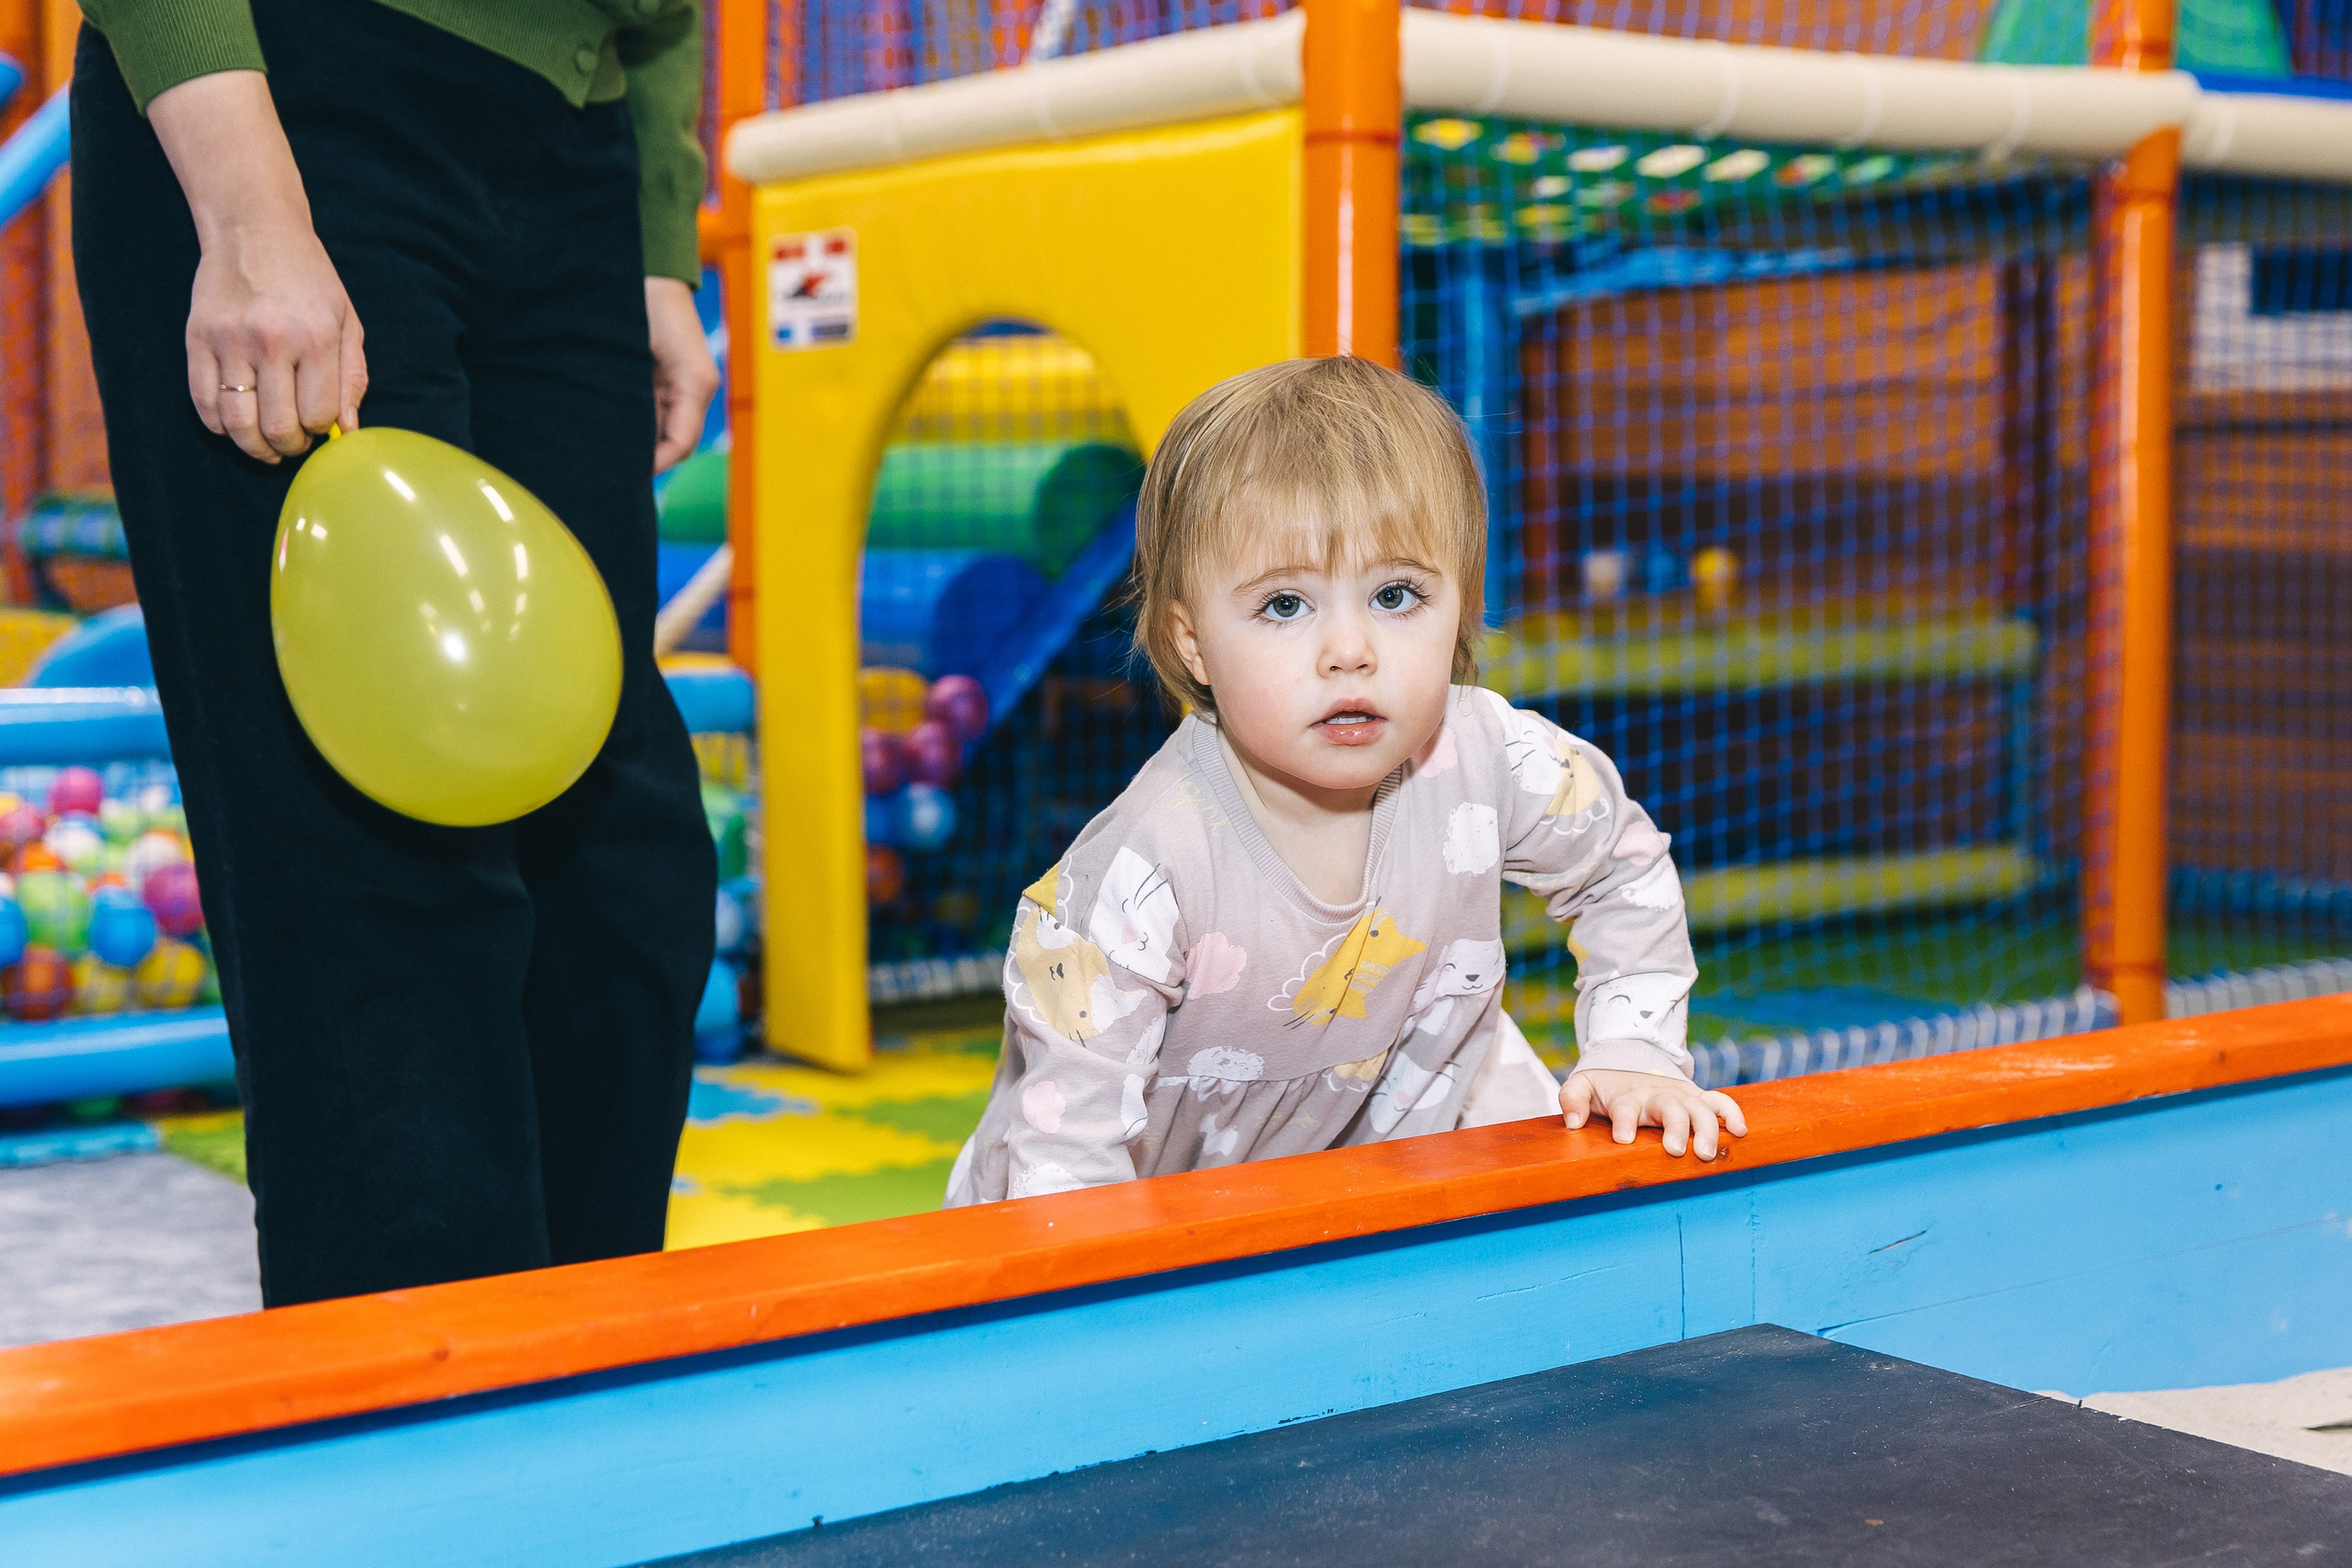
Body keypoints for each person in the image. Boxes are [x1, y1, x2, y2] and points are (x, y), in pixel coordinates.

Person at [69, 0, 719, 1303]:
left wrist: (654, 235)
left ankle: (572, 1386)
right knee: (377, 873)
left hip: (570, 134)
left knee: (621, 866)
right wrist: (251, 214)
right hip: (287, 96)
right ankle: (424, 1442)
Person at [945, 357, 1743, 1206]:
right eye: (1286, 606)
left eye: (1397, 594)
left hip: (1396, 1143)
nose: (1350, 649)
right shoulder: (1146, 869)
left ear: (1461, 609)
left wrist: (1634, 1049)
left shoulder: (1487, 756)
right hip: (1136, 1189)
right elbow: (1065, 1158)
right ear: (1192, 646)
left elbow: (1619, 865)